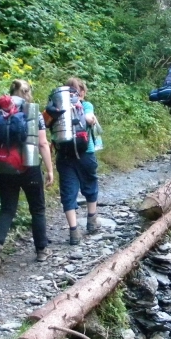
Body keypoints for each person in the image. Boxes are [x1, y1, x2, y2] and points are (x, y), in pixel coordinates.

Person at [0, 80, 55, 267]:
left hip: (3, 165)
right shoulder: (32, 112)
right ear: (27, 92)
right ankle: (42, 250)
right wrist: (50, 169)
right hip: (29, 166)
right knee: (37, 209)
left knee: (7, 208)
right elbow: (42, 144)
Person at [54, 77, 99, 245]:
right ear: (83, 92)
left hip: (64, 156)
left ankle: (74, 232)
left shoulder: (57, 105)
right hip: (86, 153)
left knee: (68, 191)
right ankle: (91, 220)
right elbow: (89, 119)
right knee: (90, 184)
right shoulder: (86, 105)